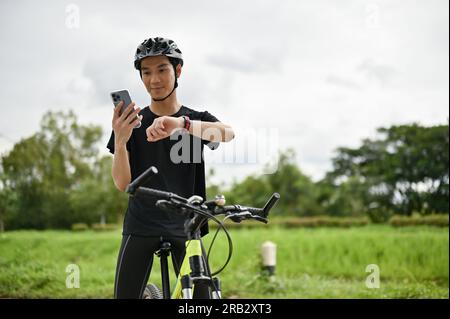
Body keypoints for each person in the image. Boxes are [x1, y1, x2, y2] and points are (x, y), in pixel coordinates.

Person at [107, 37, 235, 299]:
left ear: (178, 71)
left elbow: (228, 134)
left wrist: (180, 124)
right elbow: (122, 184)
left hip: (186, 223)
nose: (154, 79)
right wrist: (120, 141)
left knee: (201, 302)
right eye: (146, 72)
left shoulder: (195, 119)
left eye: (162, 69)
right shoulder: (133, 124)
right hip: (141, 222)